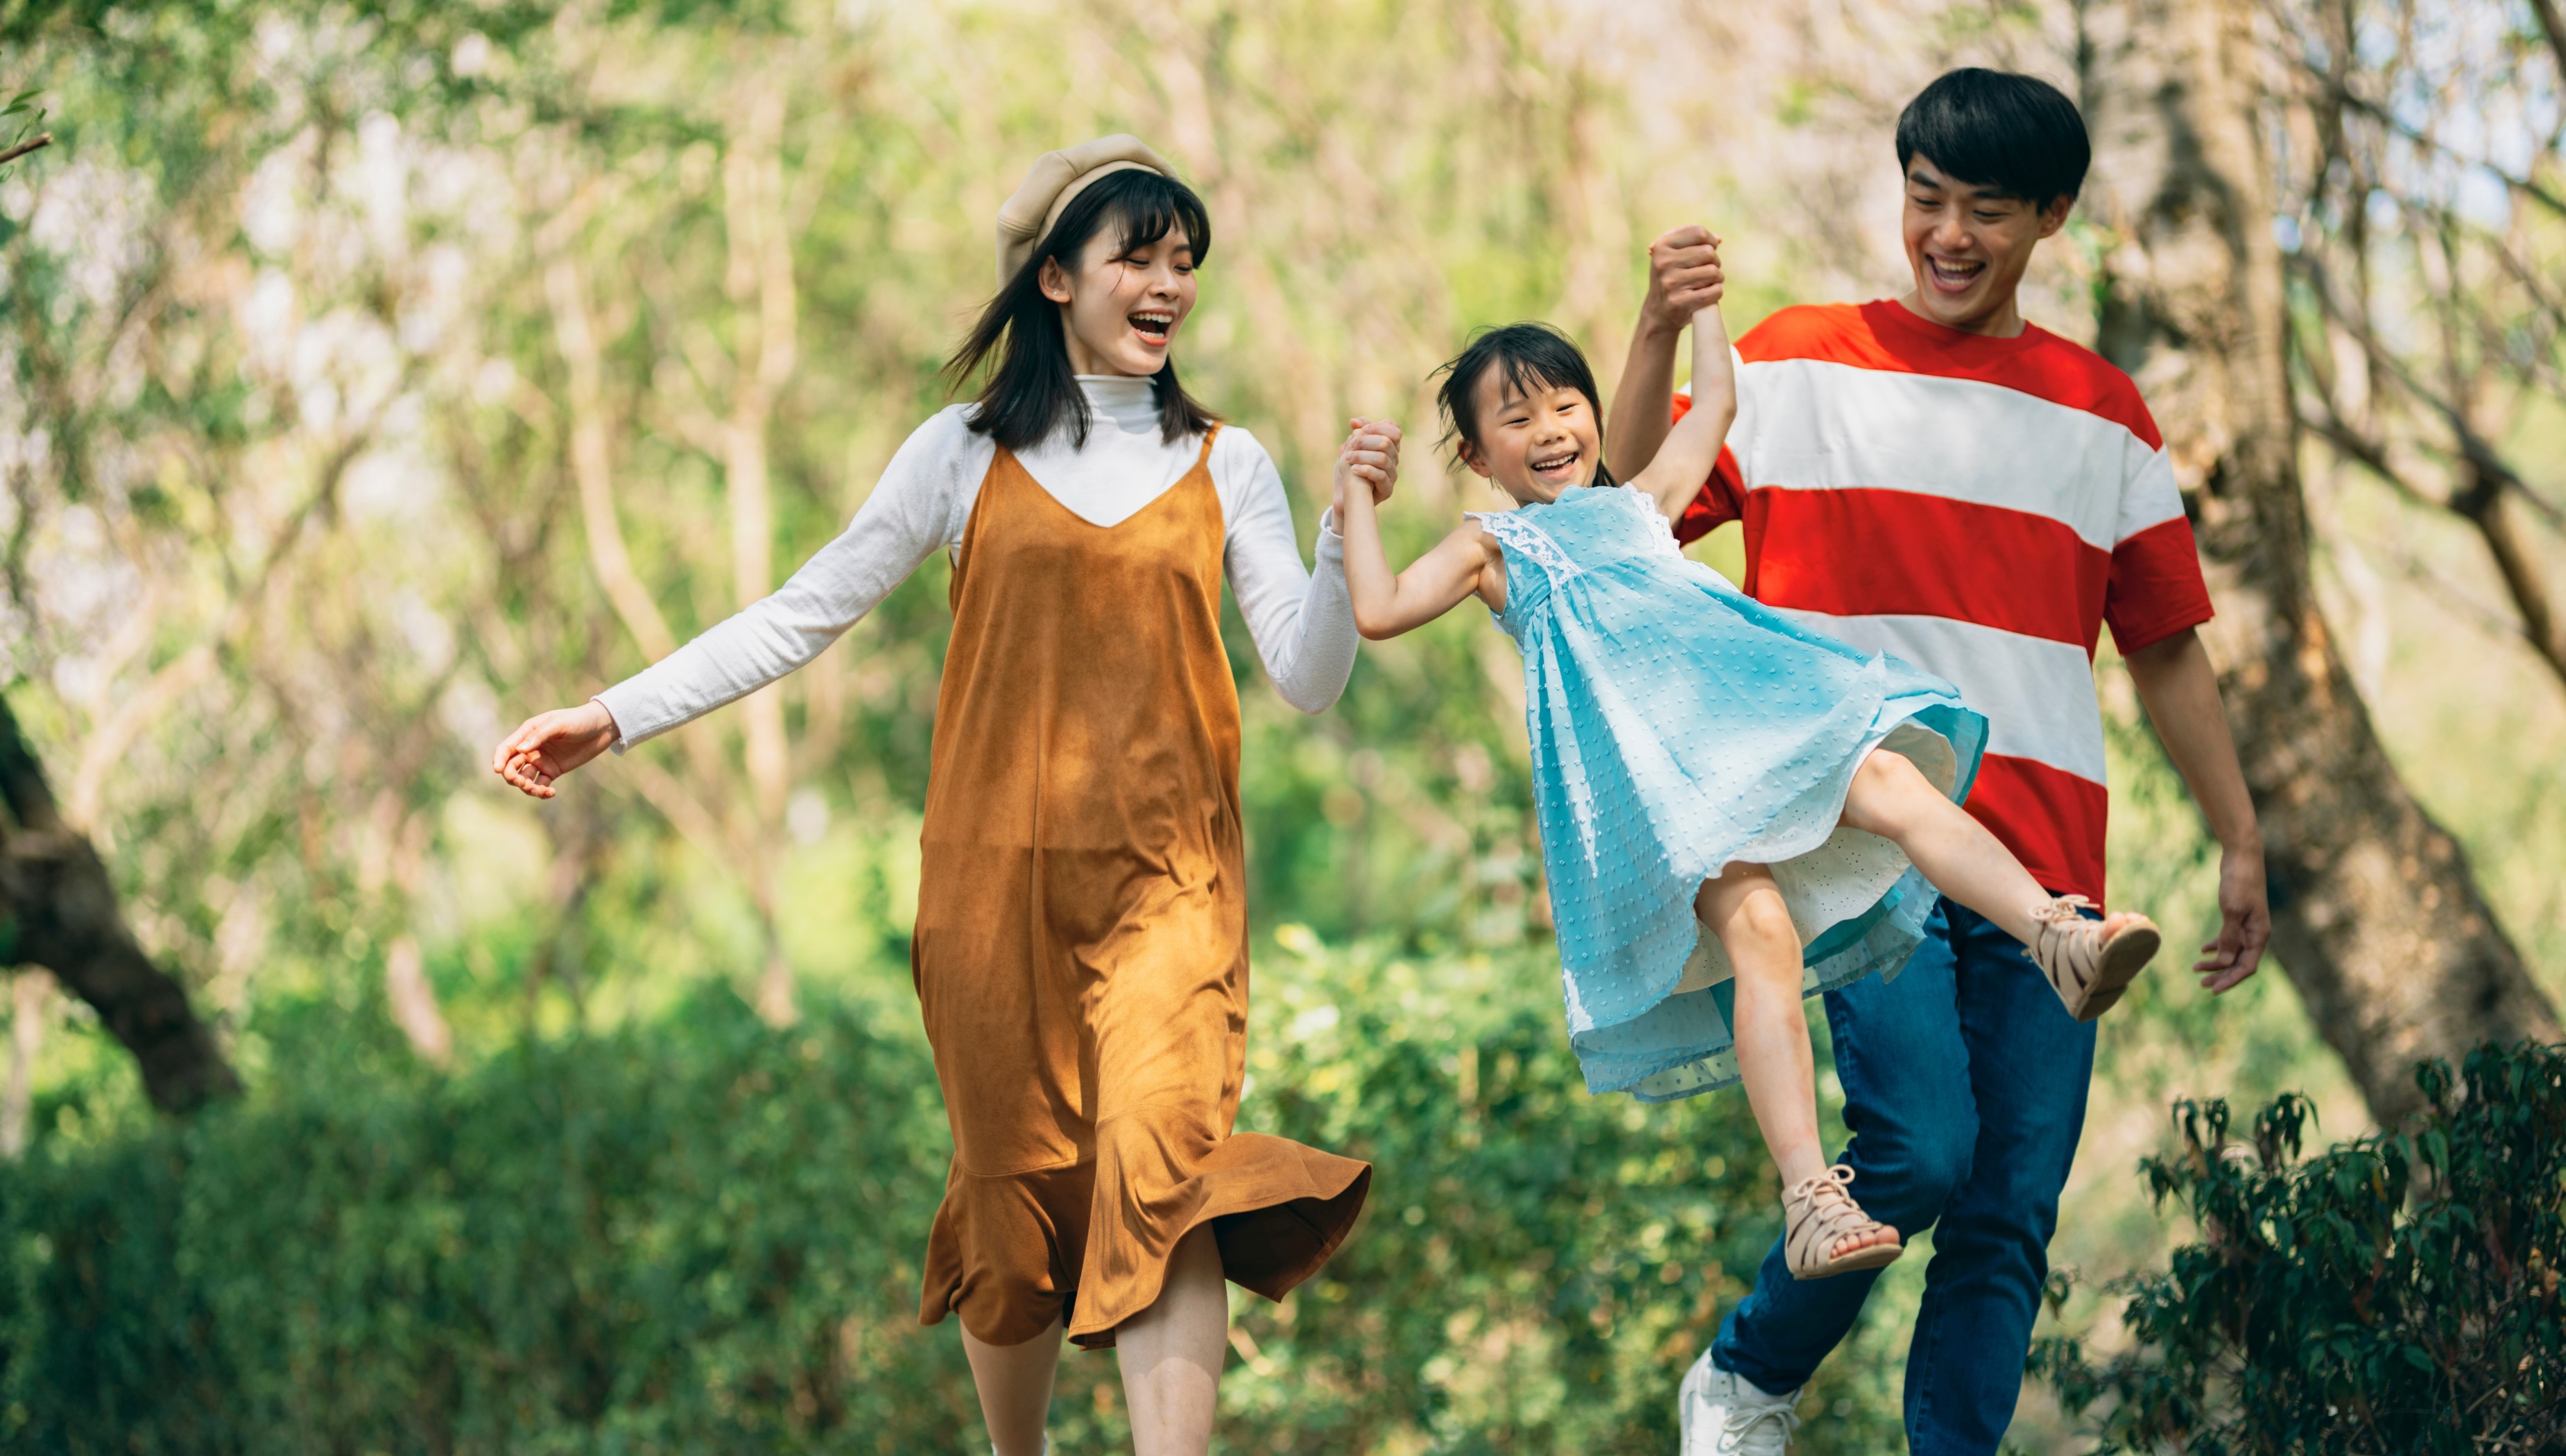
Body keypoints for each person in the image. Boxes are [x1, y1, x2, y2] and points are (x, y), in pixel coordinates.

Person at [490, 136, 1388, 1456]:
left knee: (1169, 1178)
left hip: (1170, 894)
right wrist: (612, 715)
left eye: (1184, 260)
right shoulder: (962, 453)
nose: (1169, 284)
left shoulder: (1225, 461)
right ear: (1054, 278)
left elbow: (1309, 676)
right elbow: (801, 616)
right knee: (1012, 1215)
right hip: (991, 897)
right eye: (1137, 256)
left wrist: (1339, 529)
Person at [1605, 70, 2273, 1456]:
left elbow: (2160, 646)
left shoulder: (2104, 415)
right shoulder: (1788, 361)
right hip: (1855, 852)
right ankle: (1743, 1377)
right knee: (1918, 1154)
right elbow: (1629, 518)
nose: (1947, 237)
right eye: (1924, 201)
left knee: (2004, 1219)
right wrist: (1654, 331)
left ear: (2051, 219)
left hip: (2045, 878)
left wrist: (2236, 836)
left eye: (1984, 211)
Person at [1331, 274, 2167, 1290]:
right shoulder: (1492, 546)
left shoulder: (1640, 508)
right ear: (1477, 455)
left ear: (1593, 417)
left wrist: (1702, 309)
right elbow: (1375, 610)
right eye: (1516, 418)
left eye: (1565, 405)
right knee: (1761, 933)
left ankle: (2056, 935)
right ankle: (1813, 1198)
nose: (1550, 431)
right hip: (1667, 784)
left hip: (1766, 718)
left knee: (1899, 784)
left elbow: (1716, 406)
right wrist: (1355, 500)